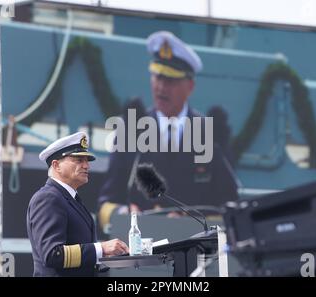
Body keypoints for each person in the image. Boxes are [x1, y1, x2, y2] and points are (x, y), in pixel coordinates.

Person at [97, 31, 239, 228]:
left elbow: (229, 206)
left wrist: (190, 221)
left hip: (196, 248)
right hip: (140, 246)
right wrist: (124, 213)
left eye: (170, 80)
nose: (161, 87)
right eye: (157, 77)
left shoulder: (210, 135)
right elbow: (106, 203)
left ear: (190, 86)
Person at [27, 131, 129, 277]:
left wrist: (107, 257)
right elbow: (52, 254)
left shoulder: (69, 198)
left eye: (87, 160)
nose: (86, 165)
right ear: (56, 165)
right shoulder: (48, 198)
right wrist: (101, 248)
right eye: (78, 160)